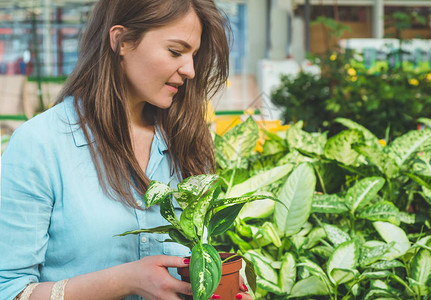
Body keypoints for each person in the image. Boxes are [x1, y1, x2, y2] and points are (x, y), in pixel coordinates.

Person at [0, 1, 251, 299]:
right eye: (175, 51)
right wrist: (126, 280)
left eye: (194, 56)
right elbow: (10, 290)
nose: (190, 70)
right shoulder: (41, 144)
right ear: (121, 40)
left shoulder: (185, 141)